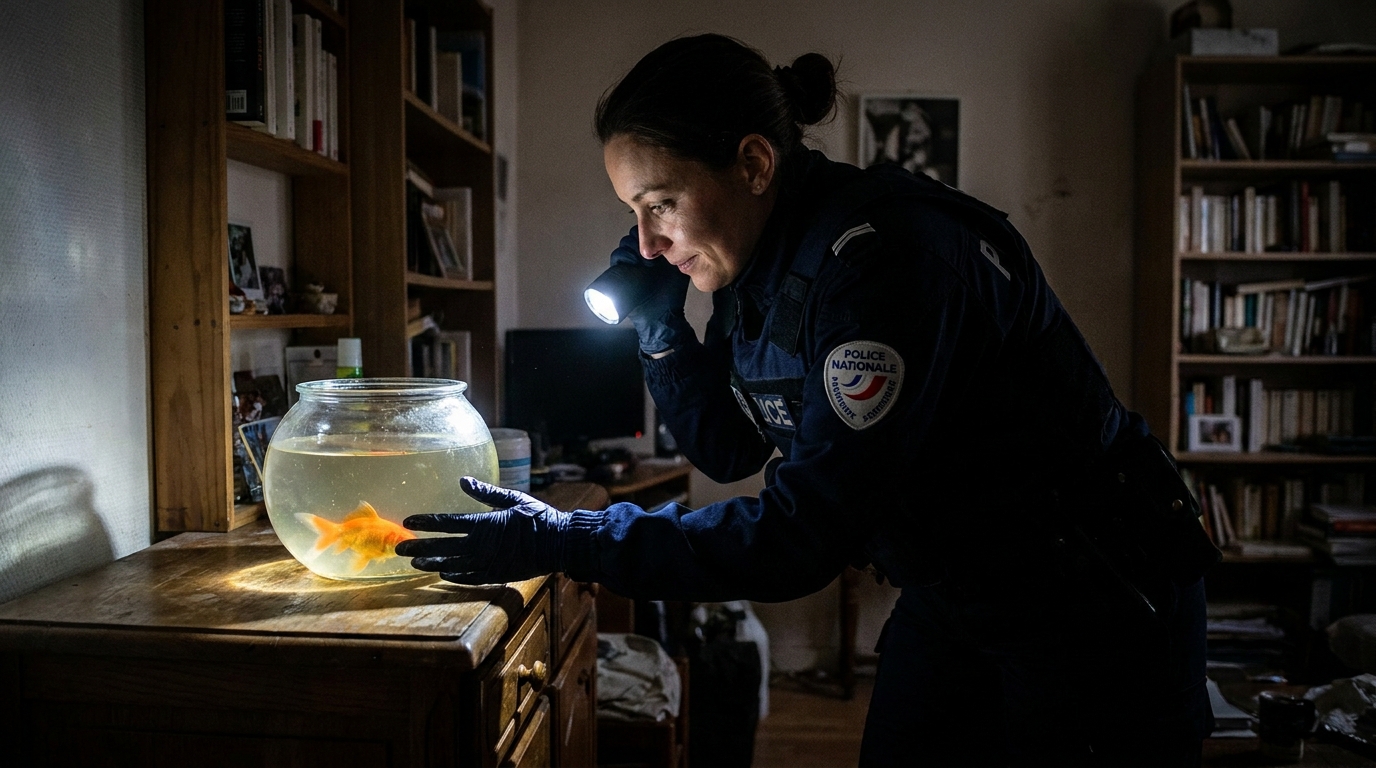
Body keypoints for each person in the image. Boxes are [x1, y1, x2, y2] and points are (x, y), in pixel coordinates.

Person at [397, 33, 1219, 766]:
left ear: (754, 164)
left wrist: (569, 537)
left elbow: (801, 538)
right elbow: (729, 449)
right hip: (958, 585)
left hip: (1092, 598)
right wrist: (659, 327)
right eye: (633, 214)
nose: (646, 241)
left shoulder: (880, 264)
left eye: (662, 204)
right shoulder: (760, 262)